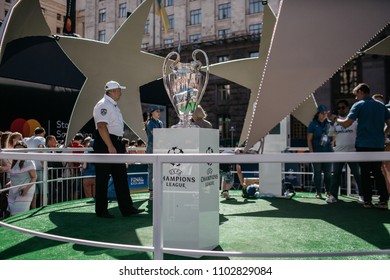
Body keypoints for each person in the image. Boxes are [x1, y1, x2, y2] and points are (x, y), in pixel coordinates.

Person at [93, 80, 144, 218]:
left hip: (114, 142)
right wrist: (110, 146)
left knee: (121, 176)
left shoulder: (112, 105)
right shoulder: (103, 104)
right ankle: (101, 211)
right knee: (103, 178)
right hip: (106, 143)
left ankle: (127, 208)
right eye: (119, 90)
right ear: (112, 91)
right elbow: (102, 126)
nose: (120, 93)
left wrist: (115, 145)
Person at [335, 83, 390, 209]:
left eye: (355, 94)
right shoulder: (381, 105)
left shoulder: (359, 105)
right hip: (378, 144)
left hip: (363, 144)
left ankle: (367, 201)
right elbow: (389, 123)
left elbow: (346, 124)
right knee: (378, 172)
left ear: (360, 91)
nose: (355, 98)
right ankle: (383, 201)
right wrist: (383, 134)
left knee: (365, 173)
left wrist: (336, 119)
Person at [326, 100, 363, 204]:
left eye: (343, 107)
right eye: (339, 108)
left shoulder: (354, 120)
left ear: (348, 108)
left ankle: (362, 195)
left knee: (358, 174)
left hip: (353, 151)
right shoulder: (335, 122)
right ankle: (333, 196)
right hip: (339, 152)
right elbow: (329, 135)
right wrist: (332, 124)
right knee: (335, 175)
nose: (341, 110)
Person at [307, 104, 334, 199]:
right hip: (316, 152)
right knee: (317, 172)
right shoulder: (313, 124)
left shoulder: (329, 123)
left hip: (328, 152)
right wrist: (311, 152)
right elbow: (309, 139)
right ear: (318, 113)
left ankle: (328, 192)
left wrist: (332, 142)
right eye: (322, 113)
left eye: (326, 113)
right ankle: (318, 192)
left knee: (328, 173)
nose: (324, 115)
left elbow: (333, 134)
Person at [6, 141, 37, 216]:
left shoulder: (29, 162)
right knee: (12, 213)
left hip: (24, 190)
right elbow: (15, 176)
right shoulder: (13, 162)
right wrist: (8, 184)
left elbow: (34, 177)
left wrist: (26, 190)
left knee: (19, 213)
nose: (19, 152)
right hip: (13, 190)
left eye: (21, 150)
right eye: (16, 150)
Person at [145, 105, 164, 200]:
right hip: (152, 147)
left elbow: (162, 136)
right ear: (152, 112)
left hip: (160, 147)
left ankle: (159, 190)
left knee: (160, 170)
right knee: (152, 170)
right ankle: (152, 192)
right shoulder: (150, 123)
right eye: (157, 111)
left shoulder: (160, 122)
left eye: (159, 111)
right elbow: (157, 135)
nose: (159, 112)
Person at [24, 127, 46, 209]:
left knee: (34, 191)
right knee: (43, 190)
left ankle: (33, 208)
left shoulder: (27, 139)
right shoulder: (41, 139)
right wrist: (43, 164)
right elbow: (40, 149)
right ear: (42, 133)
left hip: (30, 168)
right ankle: (43, 207)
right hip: (39, 168)